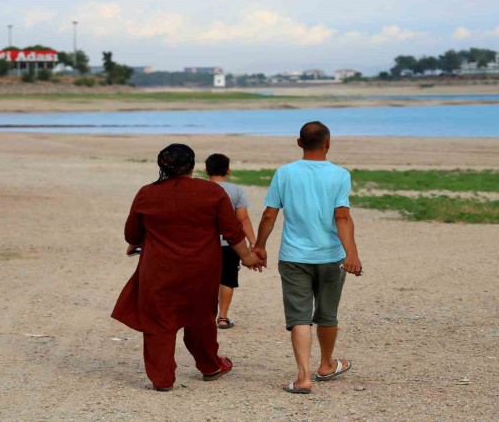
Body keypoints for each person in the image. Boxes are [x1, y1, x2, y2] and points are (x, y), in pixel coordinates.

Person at [112, 143, 261, 392]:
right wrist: (247, 257)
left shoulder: (147, 193)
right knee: (201, 318)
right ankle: (210, 366)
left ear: (162, 165)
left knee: (159, 321)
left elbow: (132, 234)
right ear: (192, 165)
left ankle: (162, 379)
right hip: (201, 269)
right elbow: (232, 231)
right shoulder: (211, 191)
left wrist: (140, 240)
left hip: (158, 269)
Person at [252, 121, 362, 394]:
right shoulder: (340, 175)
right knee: (327, 314)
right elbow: (342, 216)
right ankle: (326, 364)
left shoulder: (285, 173)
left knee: (299, 317)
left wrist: (260, 246)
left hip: (294, 257)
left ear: (299, 143)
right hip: (331, 256)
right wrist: (352, 254)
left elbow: (269, 214)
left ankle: (303, 377)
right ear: (328, 143)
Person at [204, 153, 256, 330]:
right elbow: (242, 218)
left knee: (204, 279)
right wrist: (253, 242)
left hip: (204, 243)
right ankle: (223, 317)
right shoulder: (236, 190)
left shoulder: (200, 189)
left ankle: (203, 316)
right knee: (227, 279)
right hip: (229, 243)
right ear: (228, 171)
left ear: (206, 171)